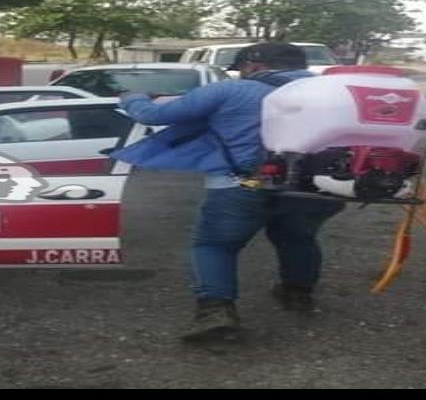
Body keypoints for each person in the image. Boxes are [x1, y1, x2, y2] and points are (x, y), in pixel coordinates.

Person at [115, 43, 345, 342]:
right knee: (297, 238)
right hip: (318, 186)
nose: (242, 73)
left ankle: (216, 312)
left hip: (240, 185)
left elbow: (155, 116)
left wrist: (132, 97)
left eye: (242, 68)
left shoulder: (233, 90)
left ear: (253, 64)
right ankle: (298, 295)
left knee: (214, 246)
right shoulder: (336, 92)